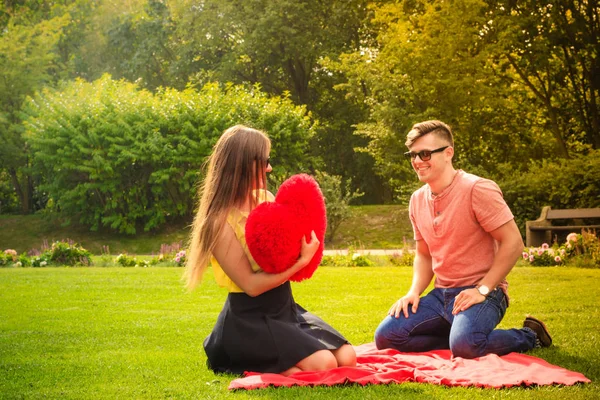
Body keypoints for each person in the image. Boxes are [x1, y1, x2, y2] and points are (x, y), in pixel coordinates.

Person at [185, 125, 356, 375]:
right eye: (264, 161)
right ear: (244, 164)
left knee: (347, 357)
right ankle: (238, 356)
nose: (269, 168)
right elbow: (252, 286)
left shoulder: (265, 198)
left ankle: (281, 363)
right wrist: (300, 262)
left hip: (284, 307)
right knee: (324, 365)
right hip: (249, 318)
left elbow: (284, 250)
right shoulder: (218, 222)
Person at [374, 120, 552, 359]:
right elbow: (424, 254)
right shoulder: (417, 200)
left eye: (425, 154)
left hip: (486, 293)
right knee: (386, 337)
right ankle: (459, 336)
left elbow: (513, 242)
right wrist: (414, 292)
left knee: (466, 346)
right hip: (441, 296)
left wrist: (483, 289)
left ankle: (529, 335)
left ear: (449, 153)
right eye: (413, 155)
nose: (417, 161)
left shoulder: (477, 189)